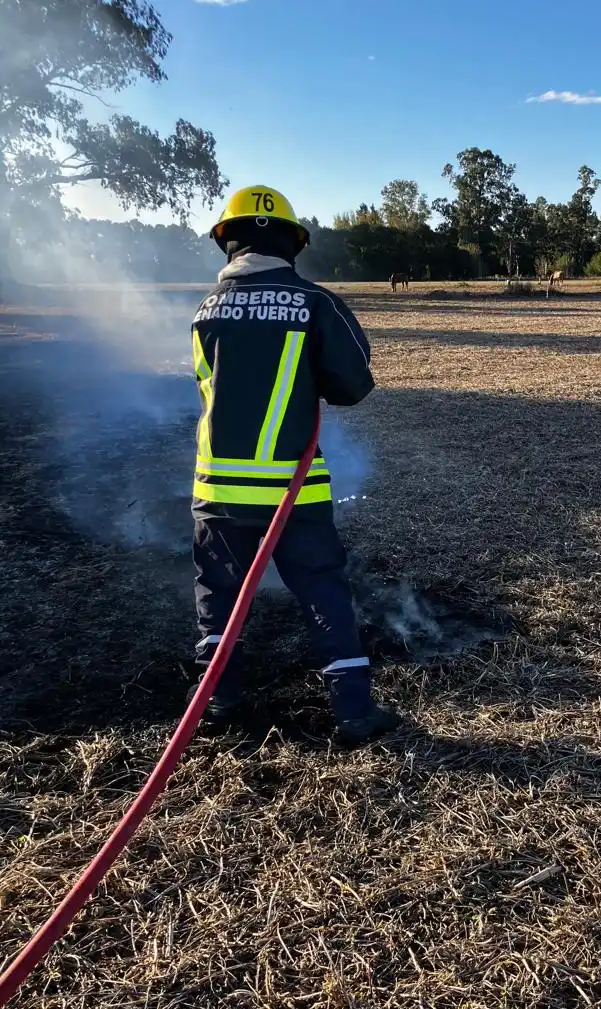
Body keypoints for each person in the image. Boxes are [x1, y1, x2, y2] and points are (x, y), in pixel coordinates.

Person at [189, 184, 400, 745]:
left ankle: (218, 701)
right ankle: (354, 710)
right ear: (292, 243)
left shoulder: (204, 312)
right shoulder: (316, 303)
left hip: (217, 491)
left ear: (226, 242)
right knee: (324, 591)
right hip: (293, 491)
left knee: (220, 595)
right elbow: (353, 385)